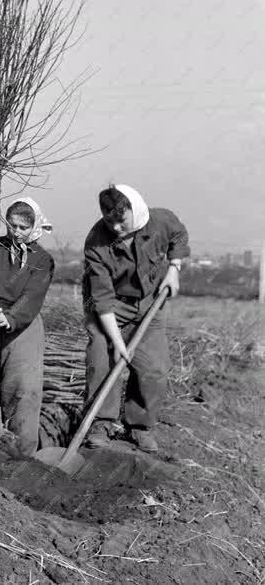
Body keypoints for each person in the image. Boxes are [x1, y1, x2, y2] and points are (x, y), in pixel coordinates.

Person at [82, 184, 190, 453]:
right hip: (110, 307)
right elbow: (102, 299)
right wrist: (118, 344)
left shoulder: (160, 221)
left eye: (121, 220)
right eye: (110, 221)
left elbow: (179, 235)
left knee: (154, 368)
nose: (116, 228)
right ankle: (100, 423)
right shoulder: (96, 241)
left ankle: (139, 426)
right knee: (102, 361)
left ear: (134, 209)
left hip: (149, 302)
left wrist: (174, 268)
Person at [0, 197, 54, 456]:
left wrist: (11, 317)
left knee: (23, 391)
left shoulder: (42, 259)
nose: (16, 232)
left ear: (35, 227)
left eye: (23, 227)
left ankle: (22, 455)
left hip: (23, 325)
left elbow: (33, 295)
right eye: (12, 225)